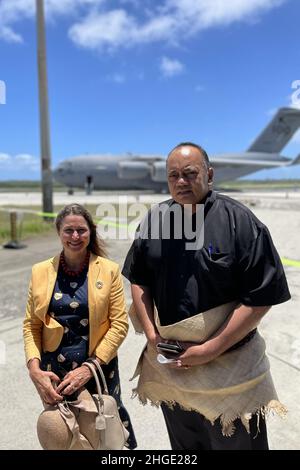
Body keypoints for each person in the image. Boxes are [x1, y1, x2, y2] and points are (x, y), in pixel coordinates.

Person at [122, 142, 291, 450]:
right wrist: (150, 335)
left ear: (209, 175)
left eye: (190, 173)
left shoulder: (240, 222)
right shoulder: (155, 220)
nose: (181, 181)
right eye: (173, 175)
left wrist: (211, 348)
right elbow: (139, 279)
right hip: (172, 368)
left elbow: (260, 297)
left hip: (230, 372)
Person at [23, 203, 137, 449]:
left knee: (105, 436)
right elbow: (31, 325)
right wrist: (35, 370)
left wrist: (89, 368)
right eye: (68, 230)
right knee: (64, 436)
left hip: (98, 369)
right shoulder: (40, 271)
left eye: (81, 230)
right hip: (55, 374)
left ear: (91, 232)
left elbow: (119, 324)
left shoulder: (108, 271)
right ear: (59, 232)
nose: (75, 236)